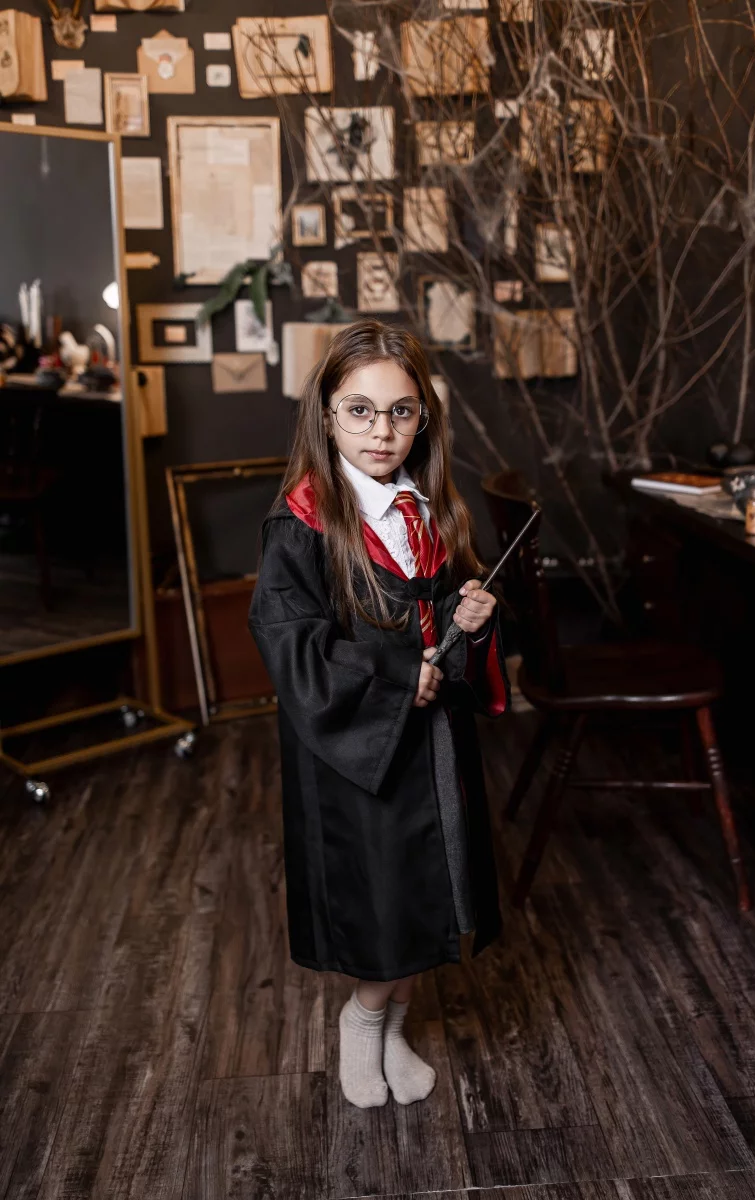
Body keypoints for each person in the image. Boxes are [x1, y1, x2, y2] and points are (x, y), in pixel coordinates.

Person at [248, 319, 510, 1110]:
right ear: (326, 414)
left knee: (433, 897)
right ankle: (361, 1023)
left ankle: (395, 1029)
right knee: (387, 904)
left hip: (434, 748)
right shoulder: (302, 524)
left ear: (423, 417)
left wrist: (469, 618)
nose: (381, 431)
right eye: (359, 411)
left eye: (401, 412)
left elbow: (440, 612)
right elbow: (292, 646)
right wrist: (398, 677)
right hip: (357, 755)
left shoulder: (427, 510)